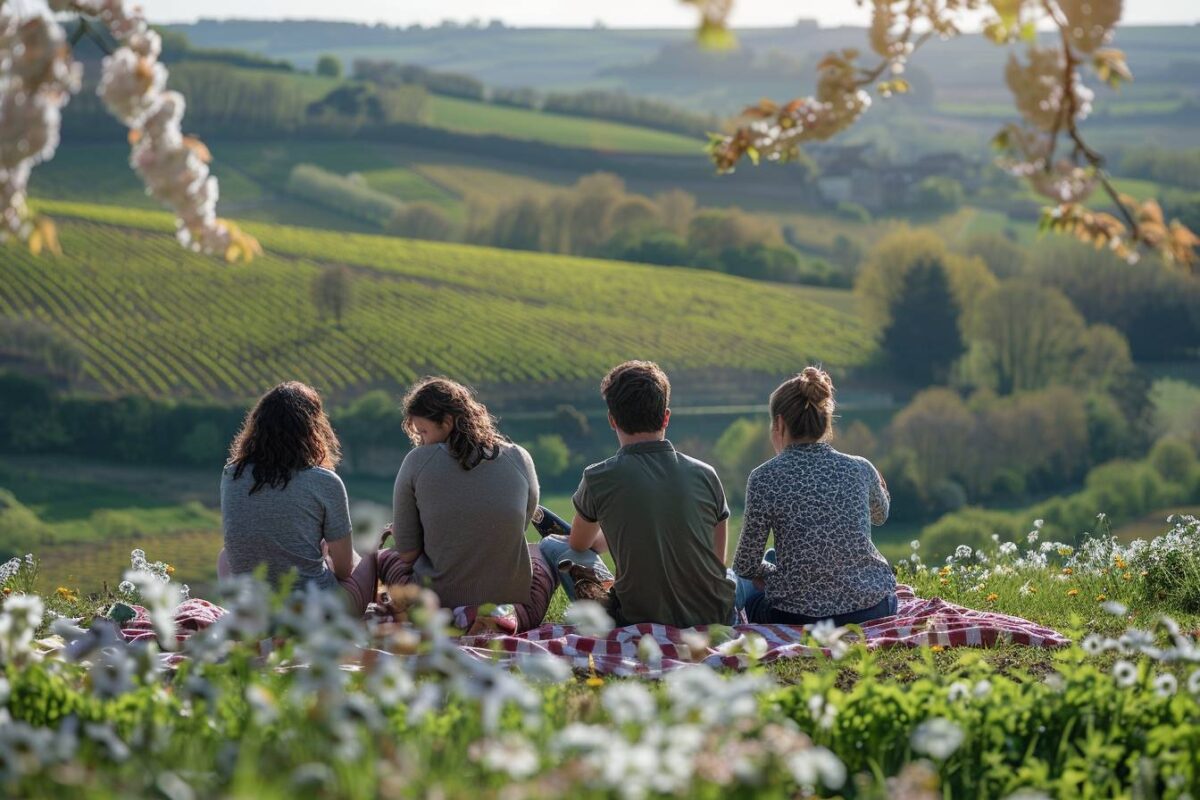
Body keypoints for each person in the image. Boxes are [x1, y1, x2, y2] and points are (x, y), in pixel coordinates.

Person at [541, 360, 735, 628]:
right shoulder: (706, 474)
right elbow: (717, 563)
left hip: (637, 617)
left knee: (552, 544)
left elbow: (578, 545)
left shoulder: (598, 477)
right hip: (715, 616)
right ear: (666, 416)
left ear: (612, 420)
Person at [380, 377, 552, 633]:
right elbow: (519, 526)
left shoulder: (417, 461)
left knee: (383, 557)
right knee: (541, 552)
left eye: (424, 432)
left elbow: (407, 553)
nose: (422, 441)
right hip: (514, 608)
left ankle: (456, 618)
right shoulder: (519, 456)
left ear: (447, 422)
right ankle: (492, 620)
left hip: (436, 606)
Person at [732, 367, 897, 627]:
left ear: (780, 423)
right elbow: (880, 515)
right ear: (826, 422)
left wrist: (774, 576)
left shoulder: (764, 477)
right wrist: (879, 485)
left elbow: (745, 564)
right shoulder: (861, 468)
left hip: (794, 616)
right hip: (870, 609)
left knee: (752, 584)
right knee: (776, 557)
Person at [217, 381, 380, 615]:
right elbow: (344, 570)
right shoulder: (325, 481)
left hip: (254, 609)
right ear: (313, 429)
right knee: (373, 559)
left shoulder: (231, 474)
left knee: (225, 557)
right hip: (313, 610)